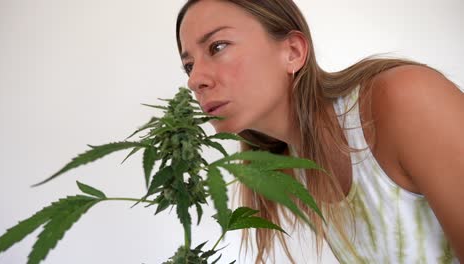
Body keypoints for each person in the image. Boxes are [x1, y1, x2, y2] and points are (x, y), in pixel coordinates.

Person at [175, 0, 464, 263]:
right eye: (189, 66)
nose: (195, 80)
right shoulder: (288, 173)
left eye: (218, 47)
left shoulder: (405, 99)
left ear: (293, 51)